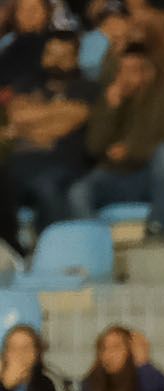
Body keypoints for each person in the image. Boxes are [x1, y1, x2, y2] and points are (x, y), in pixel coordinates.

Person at [68, 44, 164, 237]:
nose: (126, 77)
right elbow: (94, 147)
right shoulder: (109, 99)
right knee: (78, 192)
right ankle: (95, 240)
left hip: (146, 175)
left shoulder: (162, 100)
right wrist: (111, 110)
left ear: (147, 73)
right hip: (113, 174)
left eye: (133, 71)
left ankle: (157, 225)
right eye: (123, 70)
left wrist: (130, 150)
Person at [4, 29, 91, 240]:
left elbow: (74, 118)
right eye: (51, 54)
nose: (55, 61)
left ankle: (56, 253)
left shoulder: (87, 88)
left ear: (75, 58)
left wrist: (29, 126)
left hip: (60, 166)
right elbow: (17, 116)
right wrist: (57, 114)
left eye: (63, 56)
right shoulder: (27, 84)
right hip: (17, 166)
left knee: (48, 189)